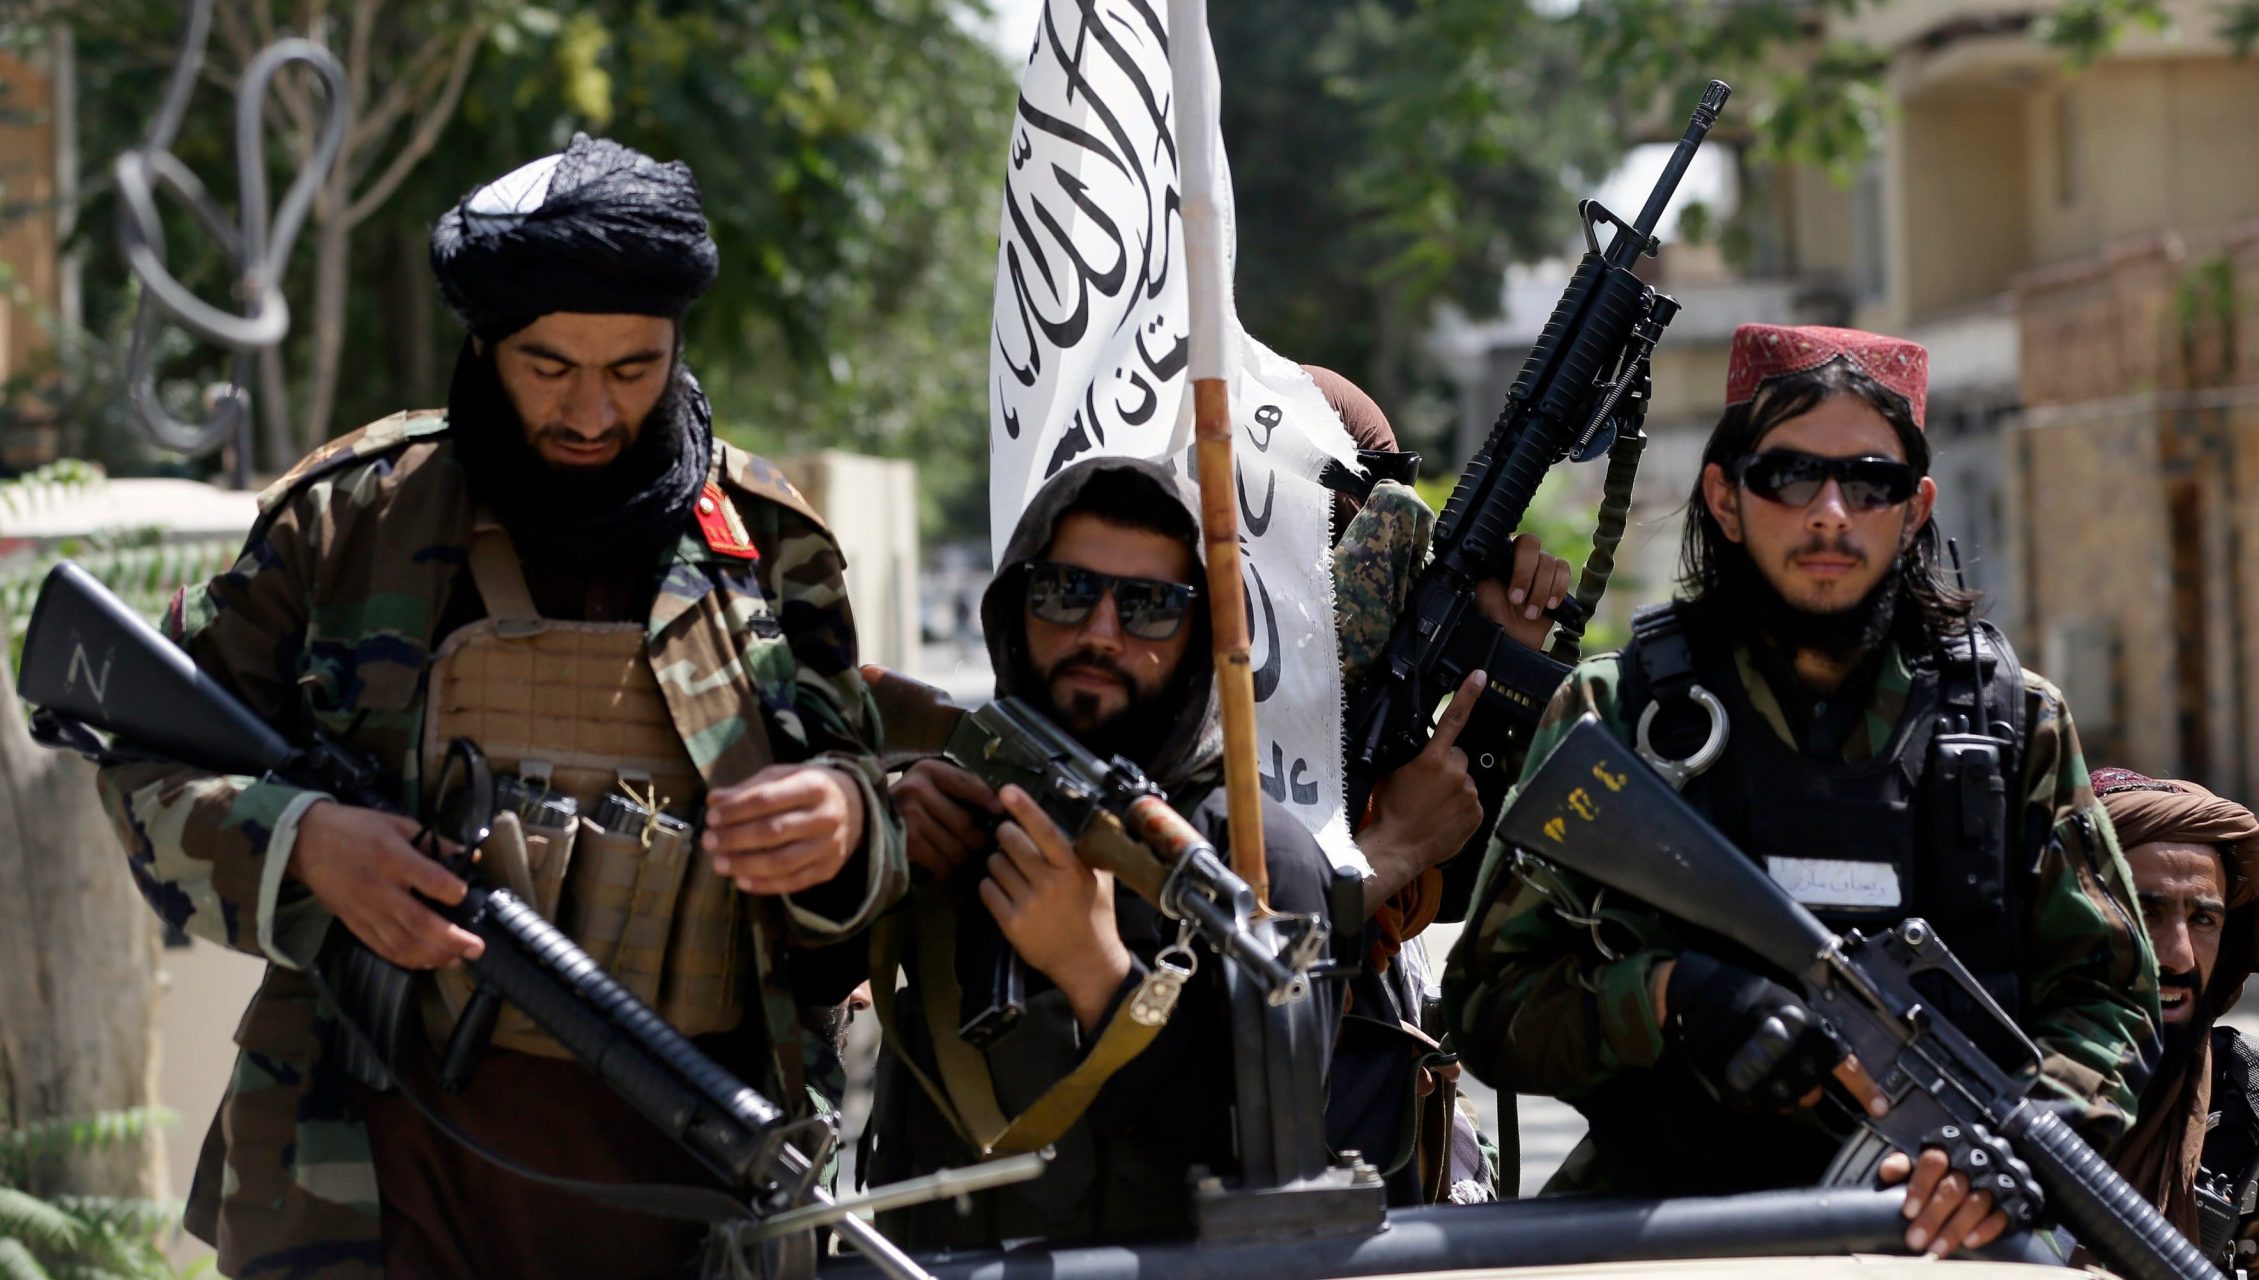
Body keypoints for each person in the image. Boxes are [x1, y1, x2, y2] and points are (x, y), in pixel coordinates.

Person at [92, 136, 904, 1280]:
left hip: (695, 1198)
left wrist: (845, 825)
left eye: (633, 368)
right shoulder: (347, 521)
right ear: (483, 344)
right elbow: (142, 761)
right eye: (547, 364)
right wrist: (306, 843)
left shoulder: (765, 545)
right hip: (373, 1186)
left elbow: (869, 830)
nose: (589, 409)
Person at [1444, 323, 2160, 1259]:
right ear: (1726, 498)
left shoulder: (2013, 727)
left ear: (1914, 508)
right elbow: (1487, 1007)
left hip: (1934, 1235)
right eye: (1789, 476)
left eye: (1871, 482)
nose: (1832, 512)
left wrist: (2005, 1152)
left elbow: (2111, 1002)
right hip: (1671, 1234)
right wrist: (1671, 996)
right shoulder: (1622, 716)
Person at [865, 455, 1343, 1248]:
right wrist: (870, 839)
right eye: (1066, 591)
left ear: (1204, 640)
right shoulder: (948, 804)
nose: (1099, 633)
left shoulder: (1253, 860)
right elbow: (788, 990)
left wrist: (1100, 975)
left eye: (1151, 608)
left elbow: (1268, 1174)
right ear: (1016, 606)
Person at [1311, 363, 1571, 1205]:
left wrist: (1501, 686)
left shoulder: (1366, 714)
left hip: (1394, 1147)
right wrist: (1383, 856)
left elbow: (1483, 885)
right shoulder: (1182, 716)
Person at [2095, 769, 2259, 1278]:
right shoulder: (1976, 1085)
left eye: (2203, 920)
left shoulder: (2258, 1105)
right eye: (2146, 913)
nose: (2179, 955)